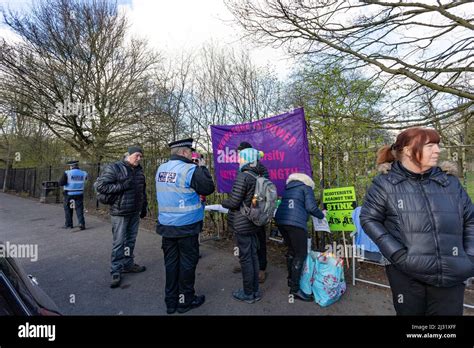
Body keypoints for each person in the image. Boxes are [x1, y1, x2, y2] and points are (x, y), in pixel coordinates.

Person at [360, 127, 474, 315]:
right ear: (407, 150)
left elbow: (470, 219)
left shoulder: (449, 182)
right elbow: (369, 218)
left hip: (452, 274)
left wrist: (470, 257)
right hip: (407, 275)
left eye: (437, 144)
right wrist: (398, 255)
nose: (437, 150)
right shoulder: (385, 184)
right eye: (430, 145)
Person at [156, 138, 215, 314]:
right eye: (190, 151)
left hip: (167, 226)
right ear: (183, 152)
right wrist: (203, 167)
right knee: (188, 264)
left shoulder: (161, 169)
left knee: (171, 264)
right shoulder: (191, 169)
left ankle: (171, 302)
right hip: (187, 226)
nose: (192, 154)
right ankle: (185, 301)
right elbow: (208, 188)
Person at [95, 146, 148, 288]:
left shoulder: (139, 170)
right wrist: (122, 186)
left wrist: (144, 207)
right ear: (128, 155)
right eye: (137, 155)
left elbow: (142, 190)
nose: (139, 158)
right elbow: (101, 186)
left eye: (141, 156)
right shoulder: (115, 168)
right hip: (120, 212)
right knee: (119, 242)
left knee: (130, 240)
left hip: (134, 211)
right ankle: (116, 269)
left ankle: (128, 264)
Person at [222, 148, 265, 303]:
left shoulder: (243, 176)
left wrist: (223, 202)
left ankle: (248, 293)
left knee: (246, 258)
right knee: (253, 256)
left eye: (240, 158)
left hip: (242, 223)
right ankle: (255, 291)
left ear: (247, 159)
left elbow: (234, 202)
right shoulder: (258, 175)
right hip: (254, 221)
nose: (238, 161)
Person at [274, 172, 324, 301]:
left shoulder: (288, 188)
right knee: (300, 254)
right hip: (295, 223)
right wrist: (322, 216)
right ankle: (295, 290)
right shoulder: (306, 188)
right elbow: (311, 207)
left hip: (281, 220)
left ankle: (291, 279)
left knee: (291, 251)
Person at [231, 141, 269, 283]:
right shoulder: (241, 168)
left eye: (241, 153)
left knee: (259, 240)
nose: (238, 156)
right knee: (245, 242)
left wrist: (250, 203)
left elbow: (263, 190)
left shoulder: (260, 168)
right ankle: (247, 266)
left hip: (256, 211)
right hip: (243, 213)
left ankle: (261, 269)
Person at [59, 160, 88, 230]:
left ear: (71, 166)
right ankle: (81, 224)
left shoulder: (67, 173)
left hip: (69, 194)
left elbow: (61, 183)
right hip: (79, 194)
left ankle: (69, 224)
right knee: (79, 209)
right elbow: (85, 181)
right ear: (77, 166)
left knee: (68, 209)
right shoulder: (84, 173)